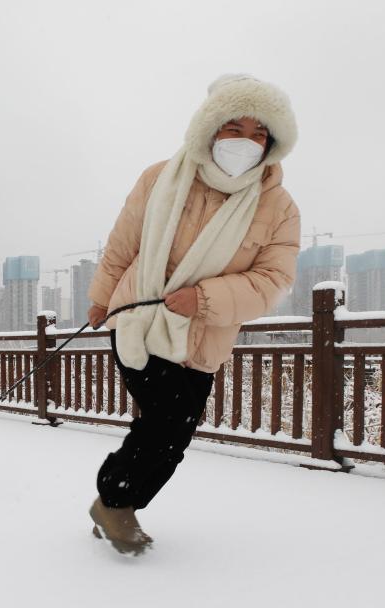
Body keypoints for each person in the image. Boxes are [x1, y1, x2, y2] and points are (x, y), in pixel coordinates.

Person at [87, 74, 301, 555]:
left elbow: (272, 282)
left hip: (203, 339)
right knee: (164, 425)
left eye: (259, 133)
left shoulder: (279, 206)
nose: (246, 142)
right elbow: (123, 244)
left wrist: (203, 299)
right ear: (210, 129)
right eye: (234, 128)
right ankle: (115, 503)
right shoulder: (159, 177)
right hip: (136, 322)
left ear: (274, 143)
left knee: (175, 435)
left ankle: (117, 499)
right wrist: (101, 300)